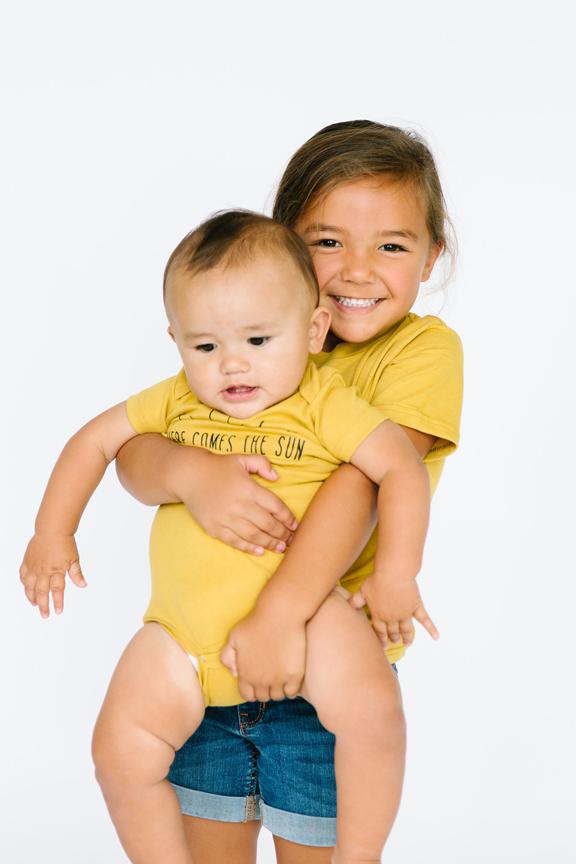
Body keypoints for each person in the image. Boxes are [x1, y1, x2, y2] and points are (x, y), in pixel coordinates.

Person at [20, 209, 437, 864]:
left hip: (305, 620)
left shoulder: (322, 403)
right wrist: (52, 531)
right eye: (205, 347)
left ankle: (359, 857)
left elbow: (400, 470)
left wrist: (396, 574)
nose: (231, 364)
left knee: (373, 712)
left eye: (259, 340)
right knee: (117, 750)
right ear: (176, 340)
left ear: (313, 330)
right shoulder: (176, 399)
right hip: (184, 636)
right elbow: (96, 442)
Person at [114, 120, 464, 864]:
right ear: (284, 245)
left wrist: (277, 614)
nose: (357, 271)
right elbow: (133, 457)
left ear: (432, 254)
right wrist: (189, 472)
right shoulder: (246, 340)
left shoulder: (421, 351)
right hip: (205, 665)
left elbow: (360, 484)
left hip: (318, 675)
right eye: (328, 241)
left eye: (391, 246)